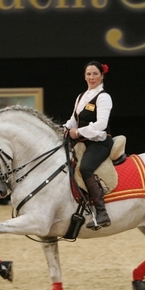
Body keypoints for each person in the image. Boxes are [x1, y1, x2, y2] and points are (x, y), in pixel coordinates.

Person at [64, 60, 113, 230]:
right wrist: (65, 128)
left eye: (95, 74)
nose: (91, 77)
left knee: (85, 168)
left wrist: (77, 132)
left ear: (101, 76)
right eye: (88, 74)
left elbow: (101, 124)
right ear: (84, 76)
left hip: (99, 142)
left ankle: (102, 213)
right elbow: (73, 120)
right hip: (83, 142)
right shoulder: (81, 96)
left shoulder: (104, 97)